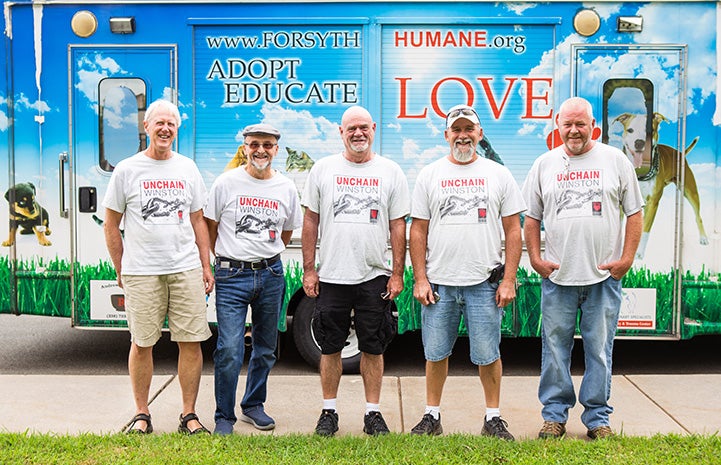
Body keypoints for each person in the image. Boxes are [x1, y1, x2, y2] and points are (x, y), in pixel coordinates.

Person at [522, 97, 644, 440]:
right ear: (557, 126)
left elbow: (634, 212)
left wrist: (626, 259)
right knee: (555, 350)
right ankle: (554, 417)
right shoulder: (544, 164)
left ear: (595, 127)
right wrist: (535, 258)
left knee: (599, 351)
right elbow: (531, 218)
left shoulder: (615, 160)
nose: (574, 131)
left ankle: (597, 419)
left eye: (581, 124)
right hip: (558, 277)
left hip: (603, 277)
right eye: (567, 124)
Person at [408, 104, 524, 439]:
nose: (462, 136)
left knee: (488, 354)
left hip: (483, 284)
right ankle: (432, 416)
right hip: (440, 283)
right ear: (446, 135)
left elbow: (513, 230)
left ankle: (492, 418)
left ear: (479, 134)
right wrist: (420, 278)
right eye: (456, 130)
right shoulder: (430, 174)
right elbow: (418, 230)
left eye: (468, 129)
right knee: (435, 353)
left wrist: (509, 279)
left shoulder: (498, 174)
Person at [102, 99, 214, 435]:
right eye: (159, 123)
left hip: (184, 269)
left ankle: (189, 415)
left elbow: (198, 220)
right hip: (142, 271)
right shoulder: (127, 169)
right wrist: (121, 268)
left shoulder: (187, 168)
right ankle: (141, 413)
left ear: (177, 130)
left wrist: (205, 265)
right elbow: (111, 224)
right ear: (146, 127)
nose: (166, 129)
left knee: (191, 342)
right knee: (142, 343)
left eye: (172, 124)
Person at [301, 105, 410, 436]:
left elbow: (397, 225)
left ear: (374, 128)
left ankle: (372, 413)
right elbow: (310, 220)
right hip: (333, 275)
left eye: (363, 127)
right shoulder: (323, 169)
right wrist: (309, 269)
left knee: (373, 347)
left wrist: (397, 273)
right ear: (341, 132)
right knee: (331, 347)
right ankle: (328, 412)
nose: (358, 133)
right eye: (351, 129)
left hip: (373, 276)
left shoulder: (391, 171)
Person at [205, 123, 303, 434]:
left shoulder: (286, 187)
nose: (261, 150)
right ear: (245, 147)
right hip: (231, 275)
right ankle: (224, 416)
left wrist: (266, 253)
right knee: (230, 348)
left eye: (267, 145)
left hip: (271, 273)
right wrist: (221, 258)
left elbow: (287, 231)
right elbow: (210, 225)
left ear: (276, 149)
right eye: (254, 144)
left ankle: (253, 405)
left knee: (266, 347)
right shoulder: (226, 183)